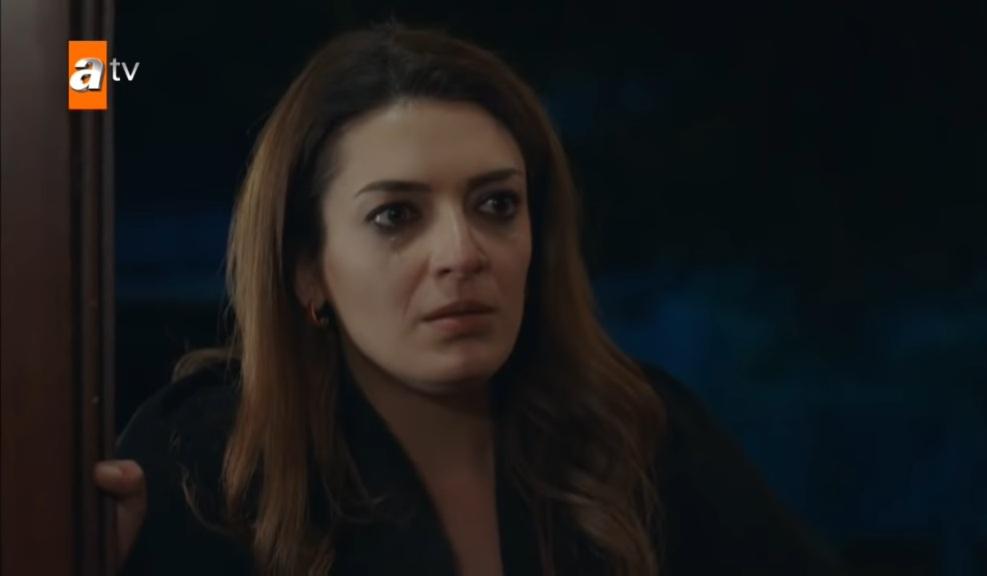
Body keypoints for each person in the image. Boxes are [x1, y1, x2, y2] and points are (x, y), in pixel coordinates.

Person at [95, 23, 844, 576]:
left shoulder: (641, 433)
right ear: (307, 272)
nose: (461, 253)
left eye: (496, 205)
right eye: (396, 215)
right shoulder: (206, 467)